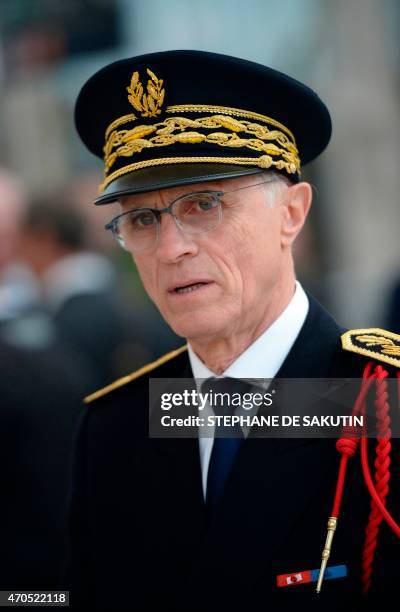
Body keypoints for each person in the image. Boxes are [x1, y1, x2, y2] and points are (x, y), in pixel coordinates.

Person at [67, 50, 400, 611]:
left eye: (204, 204)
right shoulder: (117, 424)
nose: (173, 249)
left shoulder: (384, 403)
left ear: (291, 213)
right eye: (143, 219)